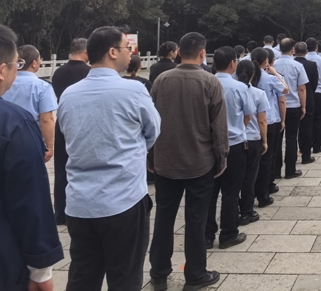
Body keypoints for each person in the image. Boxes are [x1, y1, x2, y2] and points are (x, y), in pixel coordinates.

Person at [58, 26, 161, 290]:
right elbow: (152, 133)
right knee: (125, 277)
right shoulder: (133, 91)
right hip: (123, 198)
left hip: (80, 203)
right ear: (113, 52)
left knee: (82, 276)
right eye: (128, 48)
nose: (131, 54)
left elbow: (68, 135)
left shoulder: (69, 94)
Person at [0, 23, 64, 291]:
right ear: (1, 70)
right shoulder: (11, 122)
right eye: (14, 64)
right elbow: (30, 199)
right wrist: (41, 269)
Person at [148, 32, 228, 291]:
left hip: (165, 161)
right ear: (203, 53)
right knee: (196, 219)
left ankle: (159, 272)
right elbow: (219, 127)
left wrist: (150, 155)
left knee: (163, 216)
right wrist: (221, 157)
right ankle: (195, 275)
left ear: (179, 52)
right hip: (199, 161)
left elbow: (150, 123)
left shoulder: (161, 79)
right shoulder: (210, 82)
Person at [205, 47, 252, 250]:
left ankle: (207, 235)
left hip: (208, 146)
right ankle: (228, 233)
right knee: (231, 191)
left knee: (210, 192)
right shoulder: (240, 87)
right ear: (233, 63)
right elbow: (248, 115)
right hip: (234, 143)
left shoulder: (205, 84)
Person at [50, 37, 91, 224]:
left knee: (61, 167)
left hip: (62, 122)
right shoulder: (89, 73)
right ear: (86, 52)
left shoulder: (58, 72)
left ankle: (60, 212)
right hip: (83, 123)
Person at [3, 44, 57, 163]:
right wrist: (49, 146)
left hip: (3, 139)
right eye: (39, 59)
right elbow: (46, 120)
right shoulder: (42, 87)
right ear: (34, 63)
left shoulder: (3, 84)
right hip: (31, 141)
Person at [249, 47, 286, 208]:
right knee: (266, 160)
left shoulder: (243, 76)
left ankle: (249, 196)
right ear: (266, 61)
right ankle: (263, 195)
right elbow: (285, 90)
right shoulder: (268, 78)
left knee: (252, 164)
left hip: (250, 123)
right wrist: (275, 73)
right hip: (269, 121)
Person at [235, 59, 269, 225]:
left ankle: (232, 210)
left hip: (233, 140)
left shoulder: (228, 90)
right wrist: (265, 141)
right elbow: (262, 121)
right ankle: (247, 211)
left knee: (233, 179)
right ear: (254, 74)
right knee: (249, 177)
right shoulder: (258, 93)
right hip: (252, 137)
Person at [273, 38, 308, 179]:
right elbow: (302, 88)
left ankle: (275, 171)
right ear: (293, 49)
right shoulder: (297, 65)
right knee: (291, 138)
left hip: (277, 107)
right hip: (293, 105)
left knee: (277, 140)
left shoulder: (273, 64)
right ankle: (290, 170)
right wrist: (303, 106)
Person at [294, 41, 318, 165]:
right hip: (307, 98)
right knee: (307, 127)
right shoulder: (311, 65)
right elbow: (314, 84)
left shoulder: (279, 64)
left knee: (291, 132)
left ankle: (292, 157)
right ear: (306, 51)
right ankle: (306, 155)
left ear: (294, 51)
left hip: (289, 100)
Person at [305, 38, 321, 154]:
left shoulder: (301, 60)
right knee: (318, 120)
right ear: (316, 47)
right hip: (318, 92)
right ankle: (316, 145)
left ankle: (305, 145)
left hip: (304, 93)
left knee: (306, 121)